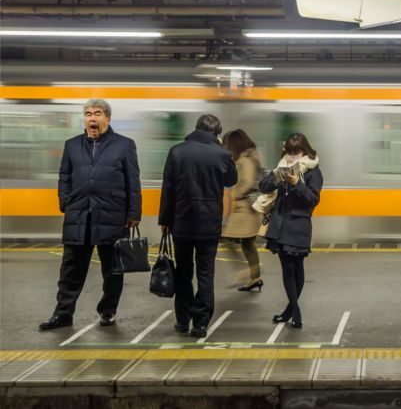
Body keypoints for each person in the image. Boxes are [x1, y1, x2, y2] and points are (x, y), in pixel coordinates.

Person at [40, 99, 141, 330]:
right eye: (88, 113)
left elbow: (133, 182)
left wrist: (134, 212)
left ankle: (108, 310)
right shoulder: (72, 145)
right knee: (70, 270)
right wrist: (65, 201)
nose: (92, 118)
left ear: (108, 118)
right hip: (79, 216)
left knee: (113, 270)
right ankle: (63, 313)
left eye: (97, 113)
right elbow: (64, 176)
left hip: (113, 216)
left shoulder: (125, 145)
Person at [159, 114, 237, 338]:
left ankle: (183, 320)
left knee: (183, 272)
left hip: (181, 222)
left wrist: (165, 220)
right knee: (205, 273)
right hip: (209, 224)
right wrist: (223, 151)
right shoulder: (222, 153)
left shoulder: (177, 151)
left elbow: (169, 188)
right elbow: (231, 180)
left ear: (195, 129)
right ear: (217, 132)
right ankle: (201, 323)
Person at [259, 133, 323, 329]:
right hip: (280, 225)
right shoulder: (281, 167)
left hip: (299, 225)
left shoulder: (313, 171)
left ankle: (289, 311)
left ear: (304, 152)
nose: (292, 158)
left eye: (297, 153)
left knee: (298, 268)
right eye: (289, 153)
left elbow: (313, 199)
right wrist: (278, 178)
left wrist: (297, 184)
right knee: (287, 268)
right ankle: (295, 312)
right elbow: (263, 186)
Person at [221, 129, 264, 292]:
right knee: (248, 244)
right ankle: (255, 277)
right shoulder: (250, 158)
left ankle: (245, 271)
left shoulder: (245, 161)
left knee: (226, 238)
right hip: (248, 209)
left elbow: (246, 183)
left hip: (244, 209)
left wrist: (233, 193)